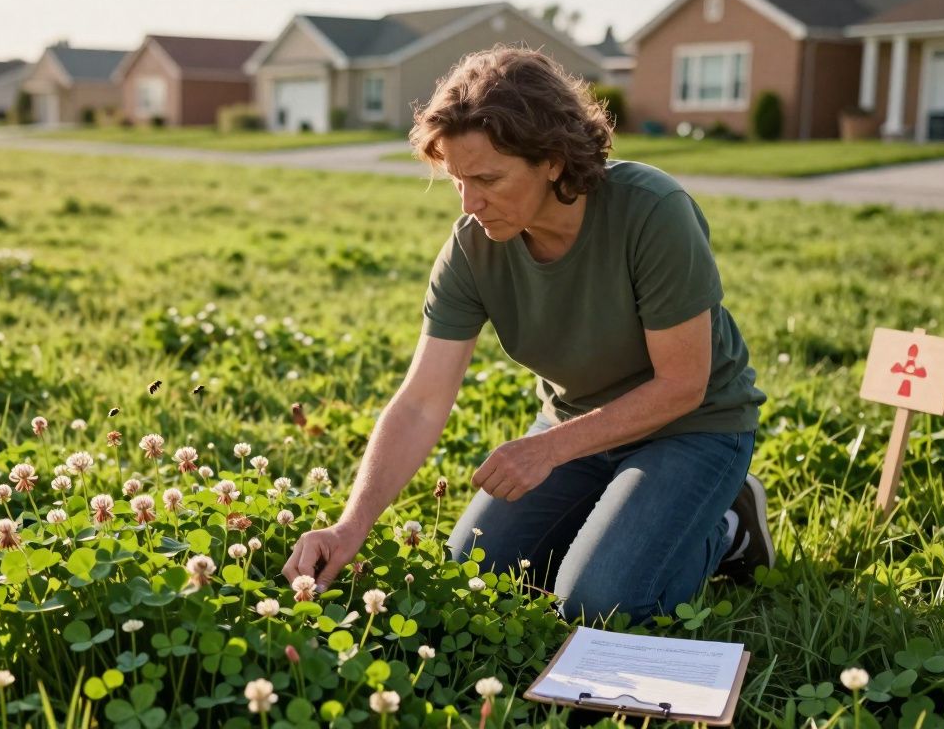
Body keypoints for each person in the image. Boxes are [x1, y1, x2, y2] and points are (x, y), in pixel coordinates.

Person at [281, 45, 773, 624]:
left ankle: (728, 527)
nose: (470, 203)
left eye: (489, 178)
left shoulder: (651, 210)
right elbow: (420, 401)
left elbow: (683, 386)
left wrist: (548, 449)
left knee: (599, 603)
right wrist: (350, 525)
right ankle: (617, 515)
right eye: (458, 180)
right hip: (574, 425)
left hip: (693, 428)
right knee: (477, 574)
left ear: (555, 161)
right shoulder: (472, 248)